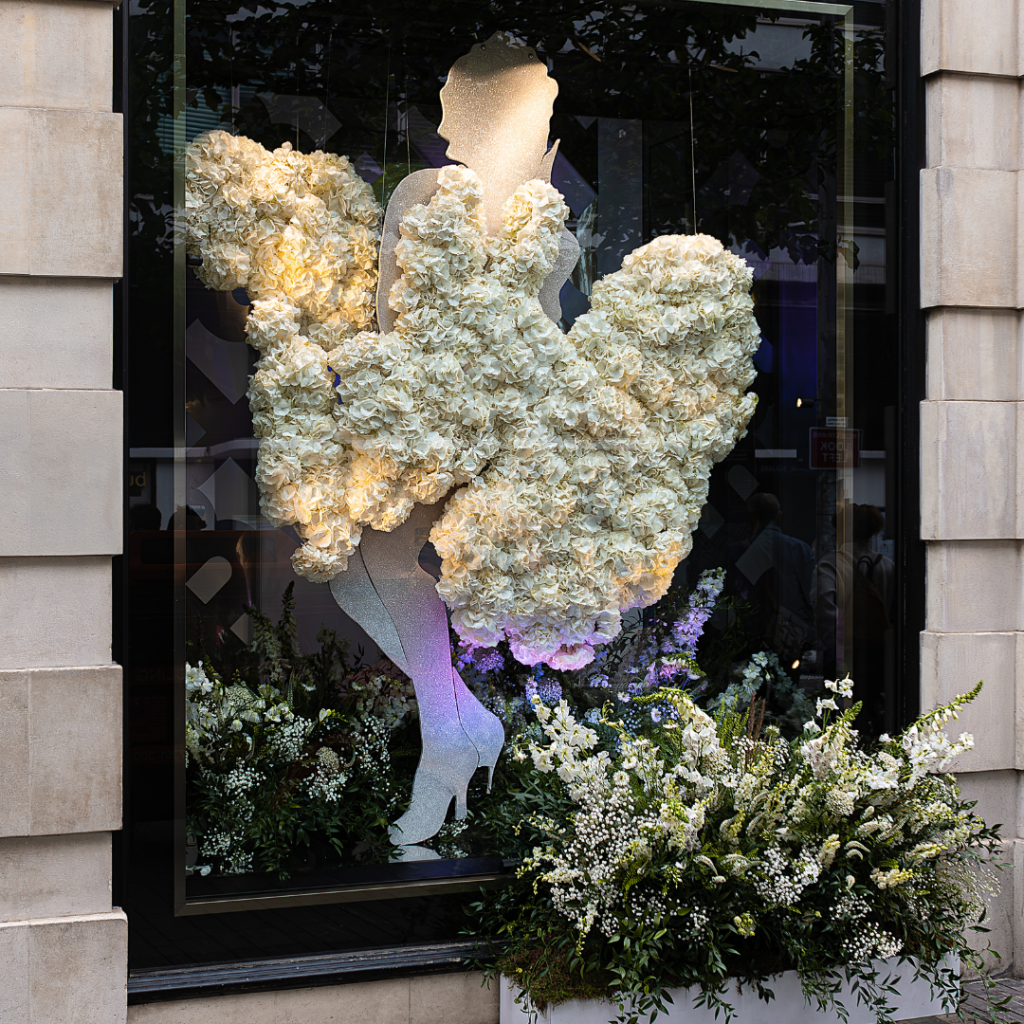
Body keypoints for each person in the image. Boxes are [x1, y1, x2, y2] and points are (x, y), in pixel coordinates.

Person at [812, 503, 894, 733]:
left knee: (839, 715)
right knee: (871, 709)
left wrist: (834, 649)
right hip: (878, 652)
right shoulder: (887, 566)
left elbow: (824, 611)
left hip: (845, 654)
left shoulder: (830, 565)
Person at [734, 492, 815, 665]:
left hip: (748, 634)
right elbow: (810, 596)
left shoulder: (737, 551)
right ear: (779, 517)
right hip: (790, 635)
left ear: (751, 517)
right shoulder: (800, 549)